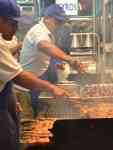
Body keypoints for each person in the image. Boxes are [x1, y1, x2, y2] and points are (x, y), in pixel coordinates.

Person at [0, 1, 69, 150]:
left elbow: (5, 75)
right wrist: (51, 88)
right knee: (10, 140)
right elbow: (19, 76)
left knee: (15, 135)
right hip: (13, 95)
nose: (16, 29)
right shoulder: (39, 31)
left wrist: (11, 98)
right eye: (13, 23)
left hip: (7, 94)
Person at [20, 4, 85, 117]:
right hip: (31, 81)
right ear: (46, 18)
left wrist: (56, 63)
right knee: (38, 115)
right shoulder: (38, 31)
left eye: (61, 22)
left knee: (48, 111)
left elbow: (45, 54)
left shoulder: (48, 33)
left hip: (41, 77)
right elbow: (44, 46)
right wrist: (70, 60)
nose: (60, 25)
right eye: (57, 22)